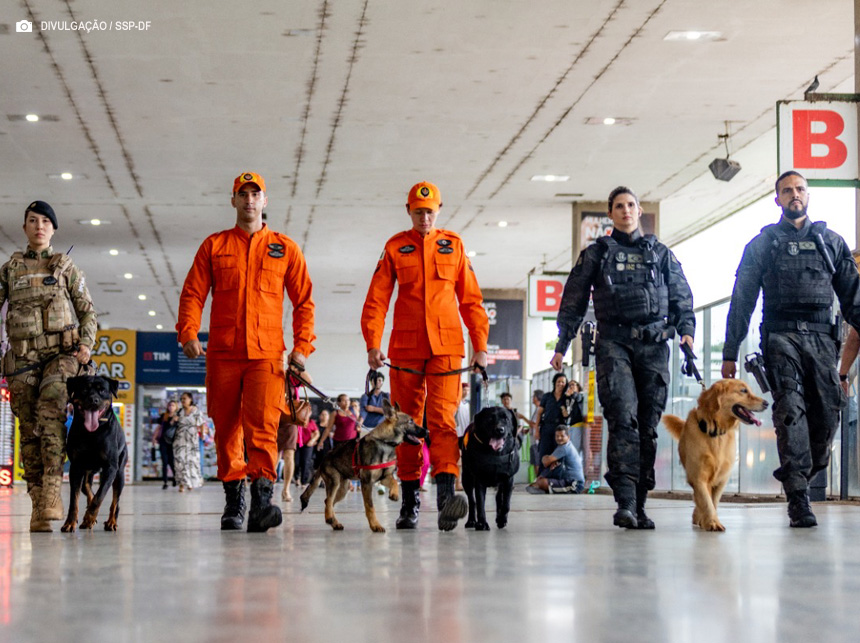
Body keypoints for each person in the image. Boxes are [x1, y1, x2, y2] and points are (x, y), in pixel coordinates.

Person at [177, 171, 316, 532]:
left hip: (267, 355)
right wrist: (188, 331)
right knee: (226, 429)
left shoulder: (285, 248)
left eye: (256, 194)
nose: (250, 200)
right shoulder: (215, 245)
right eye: (243, 193)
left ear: (265, 201)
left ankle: (262, 501)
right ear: (233, 200)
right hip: (223, 354)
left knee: (264, 428)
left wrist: (301, 349)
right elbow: (193, 292)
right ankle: (234, 501)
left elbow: (304, 302)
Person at [722, 170, 860, 528]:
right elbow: (742, 300)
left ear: (808, 195)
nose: (794, 195)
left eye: (799, 189)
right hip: (780, 337)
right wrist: (729, 351)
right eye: (787, 191)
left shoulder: (831, 242)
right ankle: (799, 497)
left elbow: (853, 298)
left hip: (822, 339)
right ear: (777, 199)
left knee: (828, 412)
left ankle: (802, 470)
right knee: (791, 411)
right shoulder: (763, 244)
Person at [551, 186, 695, 530]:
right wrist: (562, 343)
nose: (626, 210)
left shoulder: (661, 254)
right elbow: (573, 299)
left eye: (631, 205)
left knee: (647, 425)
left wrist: (687, 330)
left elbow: (681, 297)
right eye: (619, 206)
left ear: (639, 210)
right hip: (614, 343)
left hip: (655, 345)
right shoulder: (597, 253)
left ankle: (641, 502)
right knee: (622, 417)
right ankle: (626, 501)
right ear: (611, 214)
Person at [361, 181, 489, 531]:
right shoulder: (395, 247)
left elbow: (472, 301)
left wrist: (480, 346)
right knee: (405, 426)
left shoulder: (454, 245)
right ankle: (410, 502)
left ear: (439, 209)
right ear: (409, 211)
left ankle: (447, 498)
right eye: (418, 211)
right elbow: (377, 300)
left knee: (444, 422)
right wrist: (373, 342)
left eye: (430, 211)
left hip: (447, 350)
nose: (425, 217)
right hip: (405, 350)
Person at [0, 200, 97, 532]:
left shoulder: (66, 267)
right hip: (23, 359)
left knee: (50, 410)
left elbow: (87, 312)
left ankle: (54, 494)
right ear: (24, 227)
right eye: (32, 220)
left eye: (45, 221)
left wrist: (86, 343)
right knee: (28, 429)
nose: (39, 226)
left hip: (62, 356)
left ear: (53, 229)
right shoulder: (10, 269)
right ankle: (39, 502)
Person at [526, 426, 585, 494]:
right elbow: (549, 464)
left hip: (575, 484)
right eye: (557, 436)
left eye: (562, 436)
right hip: (567, 480)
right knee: (540, 481)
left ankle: (543, 488)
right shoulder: (562, 446)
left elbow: (546, 462)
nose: (559, 438)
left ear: (568, 437)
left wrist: (544, 458)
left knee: (541, 483)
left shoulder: (564, 448)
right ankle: (545, 488)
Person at [533, 373, 568, 469]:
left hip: (560, 429)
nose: (561, 384)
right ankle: (541, 477)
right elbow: (539, 413)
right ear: (554, 383)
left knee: (558, 454)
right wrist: (536, 429)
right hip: (547, 428)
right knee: (544, 452)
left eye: (563, 382)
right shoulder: (547, 396)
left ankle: (555, 478)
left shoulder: (566, 398)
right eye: (559, 381)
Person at [174, 392, 205, 492]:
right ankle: (181, 484)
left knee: (192, 461)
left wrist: (203, 435)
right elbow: (173, 423)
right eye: (182, 399)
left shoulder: (196, 411)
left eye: (185, 399)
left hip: (192, 439)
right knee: (180, 461)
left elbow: (201, 424)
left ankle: (191, 483)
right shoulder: (179, 411)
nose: (183, 401)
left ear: (190, 400)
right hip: (180, 439)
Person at [152, 400, 178, 489]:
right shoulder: (164, 416)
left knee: (172, 462)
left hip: (173, 442)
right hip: (163, 441)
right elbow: (159, 427)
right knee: (164, 461)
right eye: (170, 405)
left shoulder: (178, 417)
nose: (171, 407)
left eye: (173, 405)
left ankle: (175, 478)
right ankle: (165, 482)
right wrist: (154, 437)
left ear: (176, 407)